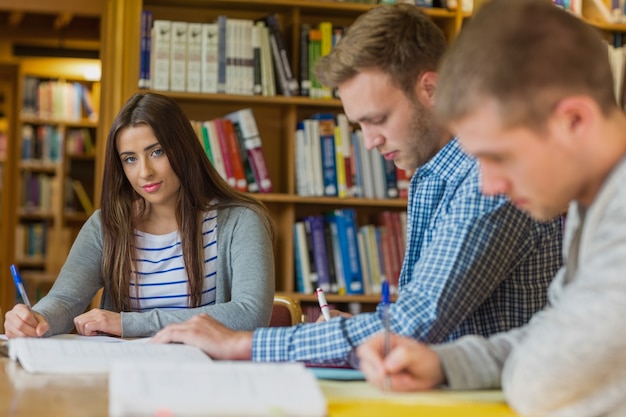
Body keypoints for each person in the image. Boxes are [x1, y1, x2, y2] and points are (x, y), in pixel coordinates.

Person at [150, 4, 563, 364]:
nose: (368, 141)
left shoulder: (484, 176)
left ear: (431, 90)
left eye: (377, 119)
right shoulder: (432, 170)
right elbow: (415, 322)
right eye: (359, 124)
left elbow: (414, 324)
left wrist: (244, 344)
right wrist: (366, 329)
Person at [356, 1, 626, 416]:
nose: (487, 184)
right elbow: (549, 335)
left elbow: (547, 383)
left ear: (574, 120)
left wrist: (531, 365)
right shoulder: (593, 202)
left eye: (498, 156)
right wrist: (444, 362)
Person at [4, 92, 275, 338]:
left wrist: (127, 323)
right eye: (130, 159)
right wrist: (37, 318)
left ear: (183, 148)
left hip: (207, 377)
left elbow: (249, 314)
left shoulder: (242, 220)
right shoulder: (106, 225)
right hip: (127, 373)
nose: (144, 172)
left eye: (157, 152)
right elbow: (65, 300)